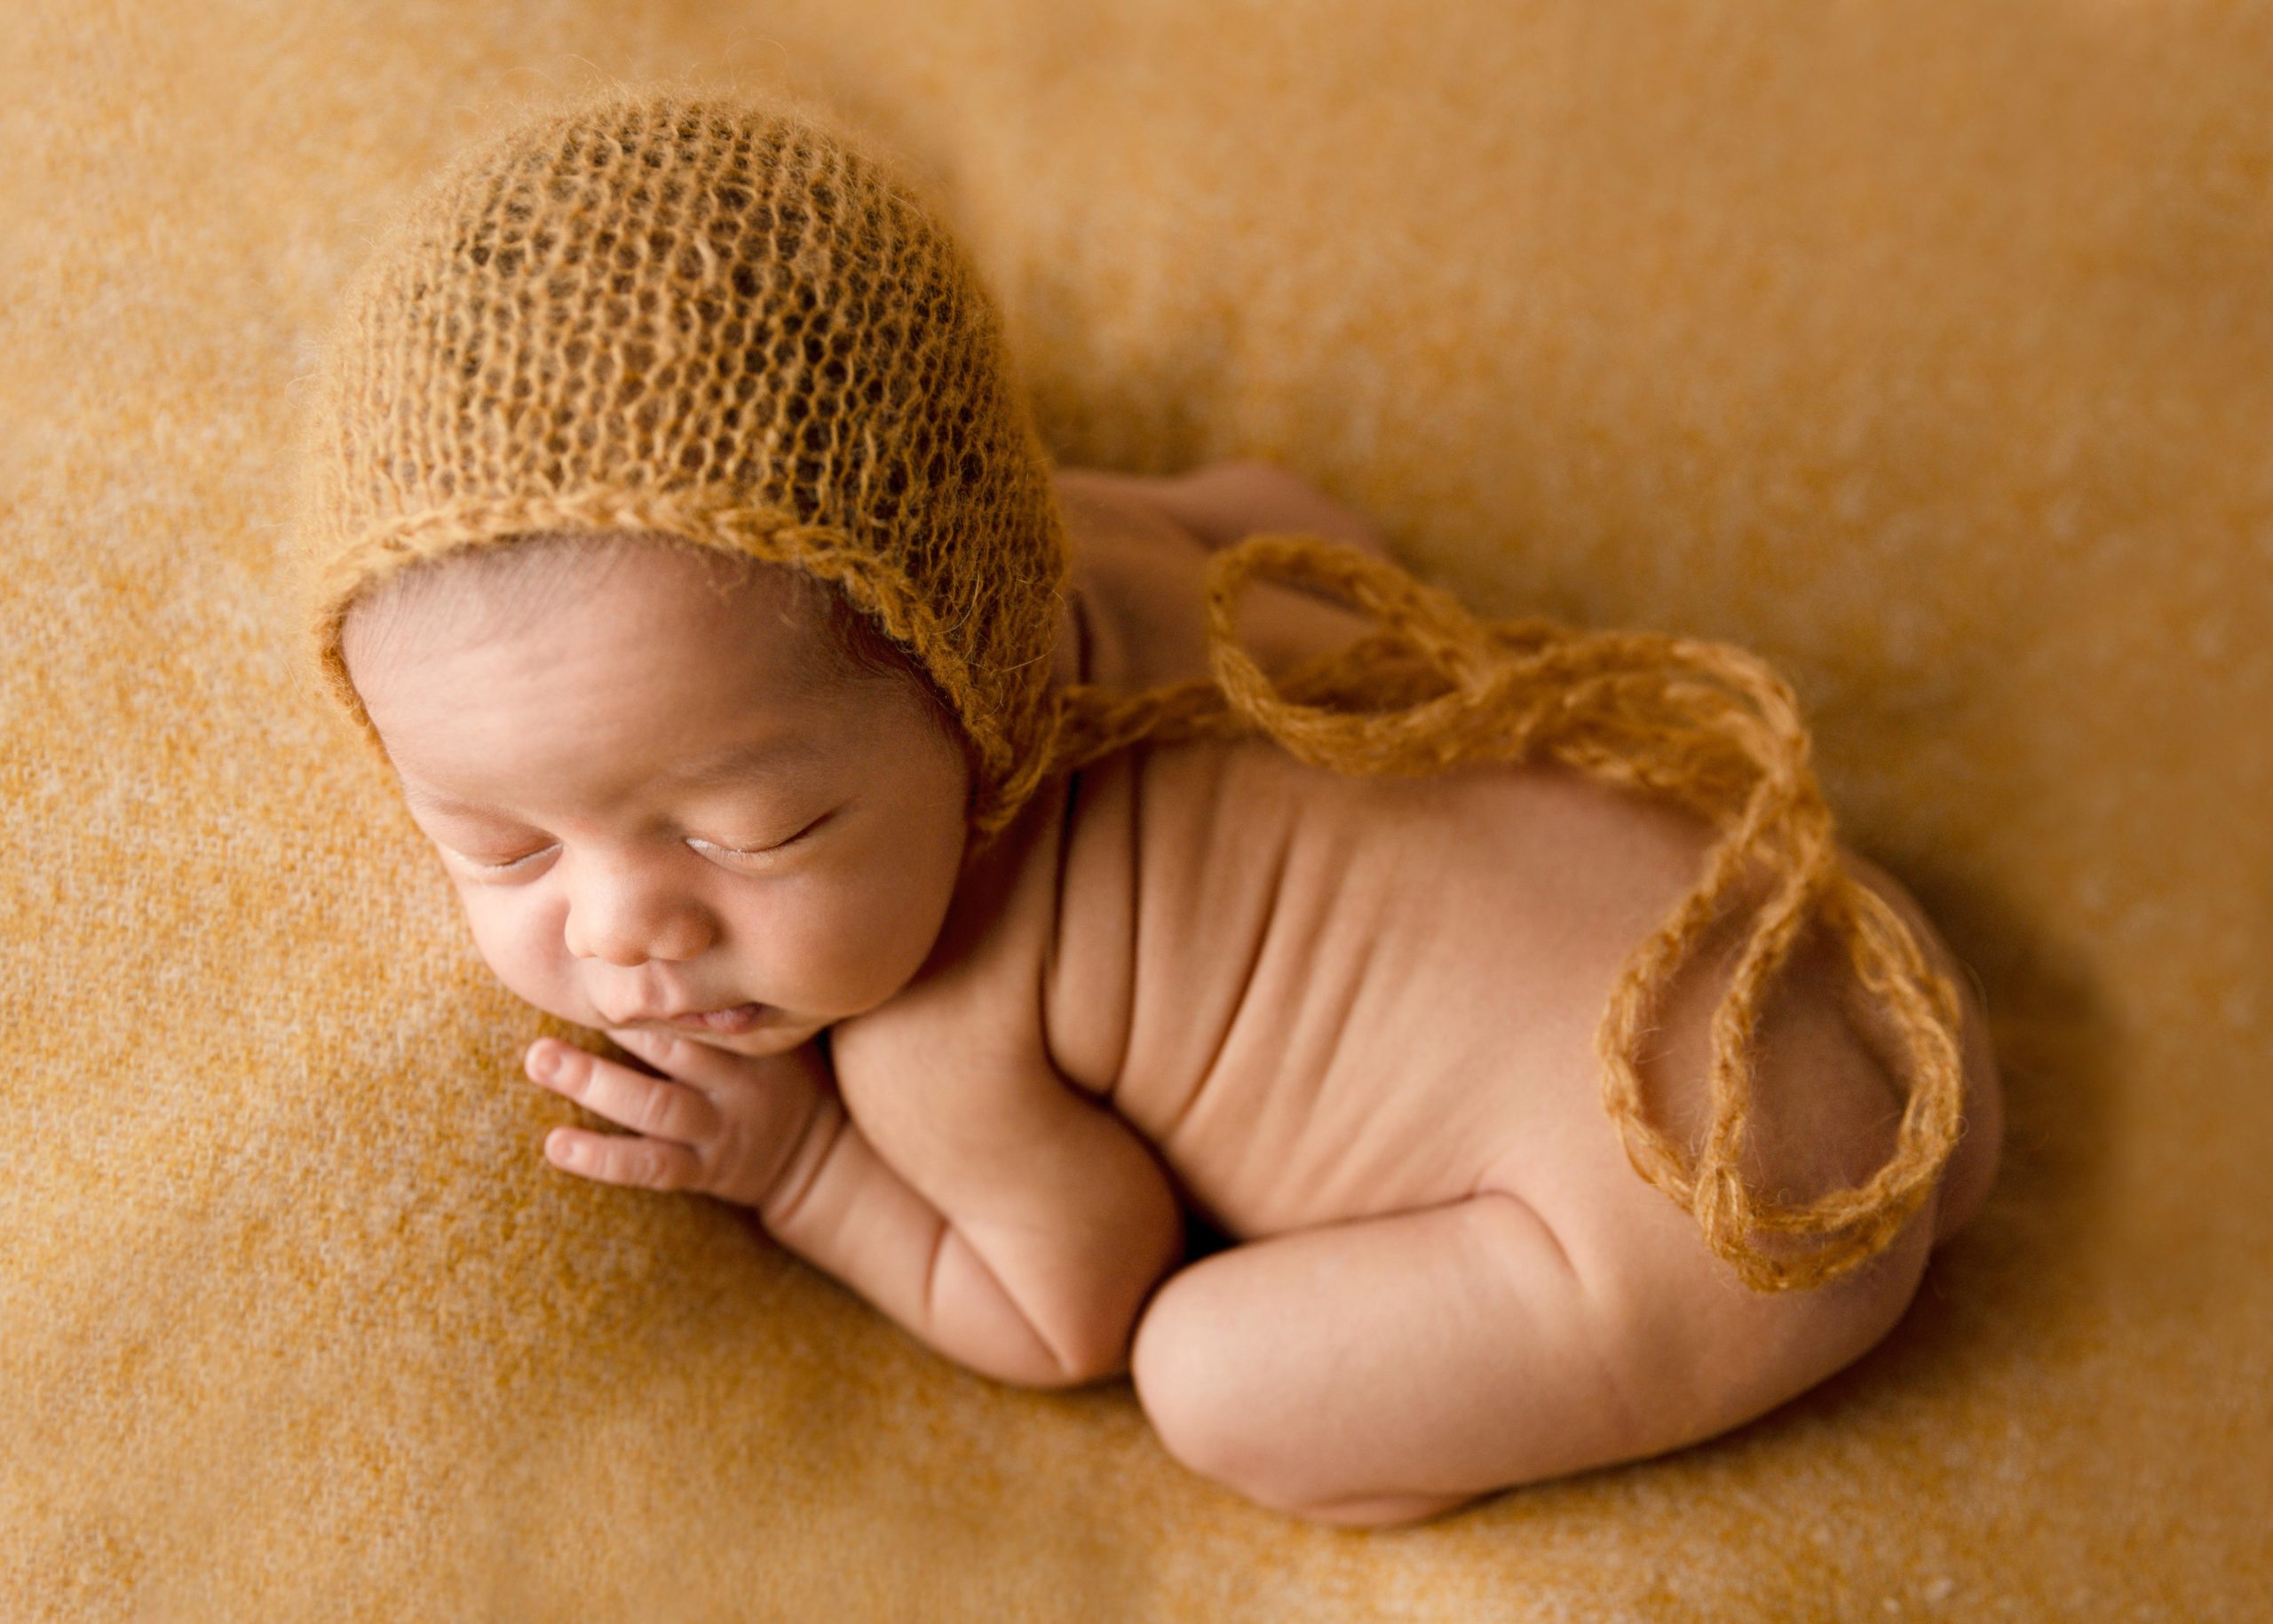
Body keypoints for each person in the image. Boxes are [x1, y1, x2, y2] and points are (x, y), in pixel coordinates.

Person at [294, 84, 2002, 1529]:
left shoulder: (935, 1023)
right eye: (498, 844)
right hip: (1856, 953)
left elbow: (1069, 1303)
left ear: (971, 684)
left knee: (1210, 1377)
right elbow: (1303, 512)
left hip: (1716, 1234)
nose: (619, 933)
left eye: (753, 834)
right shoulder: (1093, 527)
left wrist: (810, 1164)